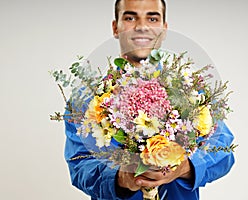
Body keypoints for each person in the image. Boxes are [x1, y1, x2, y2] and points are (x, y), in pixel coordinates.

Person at [64, 0, 235, 199]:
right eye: (130, 17)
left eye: (152, 18)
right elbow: (79, 165)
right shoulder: (87, 101)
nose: (142, 26)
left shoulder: (193, 93)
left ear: (164, 29)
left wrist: (185, 167)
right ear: (115, 27)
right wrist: (120, 178)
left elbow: (223, 152)